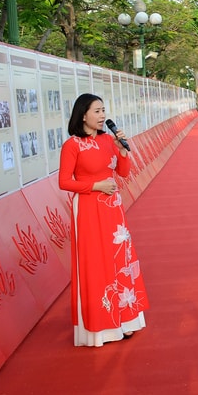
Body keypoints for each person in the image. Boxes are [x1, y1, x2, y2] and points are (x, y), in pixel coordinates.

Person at [58, 93, 148, 347]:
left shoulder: (109, 140)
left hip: (113, 209)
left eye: (103, 110)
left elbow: (123, 172)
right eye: (97, 111)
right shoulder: (72, 145)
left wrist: (122, 152)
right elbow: (64, 181)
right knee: (96, 262)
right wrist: (95, 186)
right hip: (87, 208)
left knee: (119, 259)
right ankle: (101, 324)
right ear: (83, 114)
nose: (102, 115)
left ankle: (126, 320)